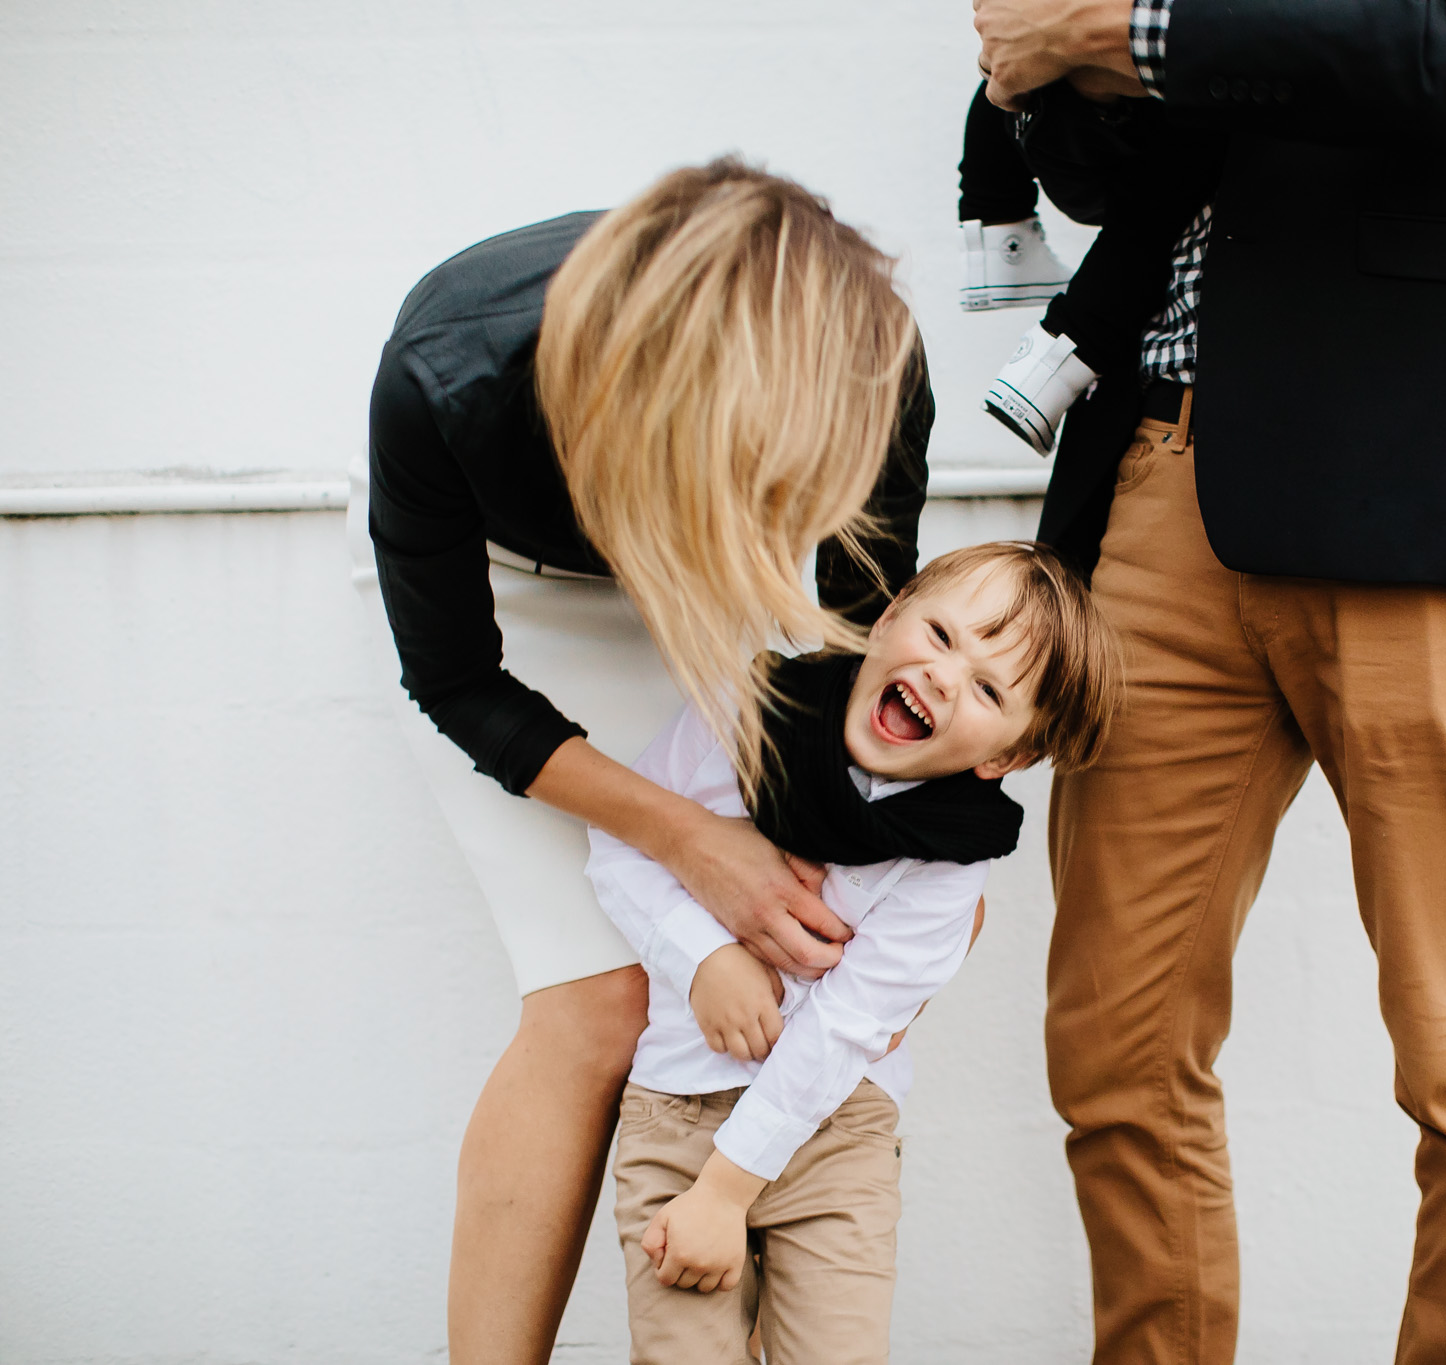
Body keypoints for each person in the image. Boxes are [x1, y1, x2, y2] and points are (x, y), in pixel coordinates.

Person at [972, 2, 1446, 1362]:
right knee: (1115, 1053)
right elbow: (1100, 170)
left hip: (1430, 502)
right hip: (1162, 480)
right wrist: (1060, 69)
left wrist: (1114, 26)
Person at [350, 158, 933, 1364]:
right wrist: (681, 834)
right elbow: (456, 679)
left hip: (722, 597)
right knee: (597, 998)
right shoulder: (443, 375)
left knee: (764, 948)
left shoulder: (871, 369)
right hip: (517, 621)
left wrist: (889, 863)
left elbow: (851, 640)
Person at [586, 542, 1122, 1363]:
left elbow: (849, 1023)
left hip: (834, 1134)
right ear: (893, 612)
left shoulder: (953, 859)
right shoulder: (747, 712)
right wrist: (703, 958)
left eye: (988, 688)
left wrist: (727, 1191)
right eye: (941, 635)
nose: (946, 675)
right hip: (679, 1114)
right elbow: (620, 839)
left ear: (1004, 756)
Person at [956, 79, 1220, 454]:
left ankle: (997, 230)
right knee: (1184, 150)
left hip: (1042, 121)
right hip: (1109, 123)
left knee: (1016, 57)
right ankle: (1060, 354)